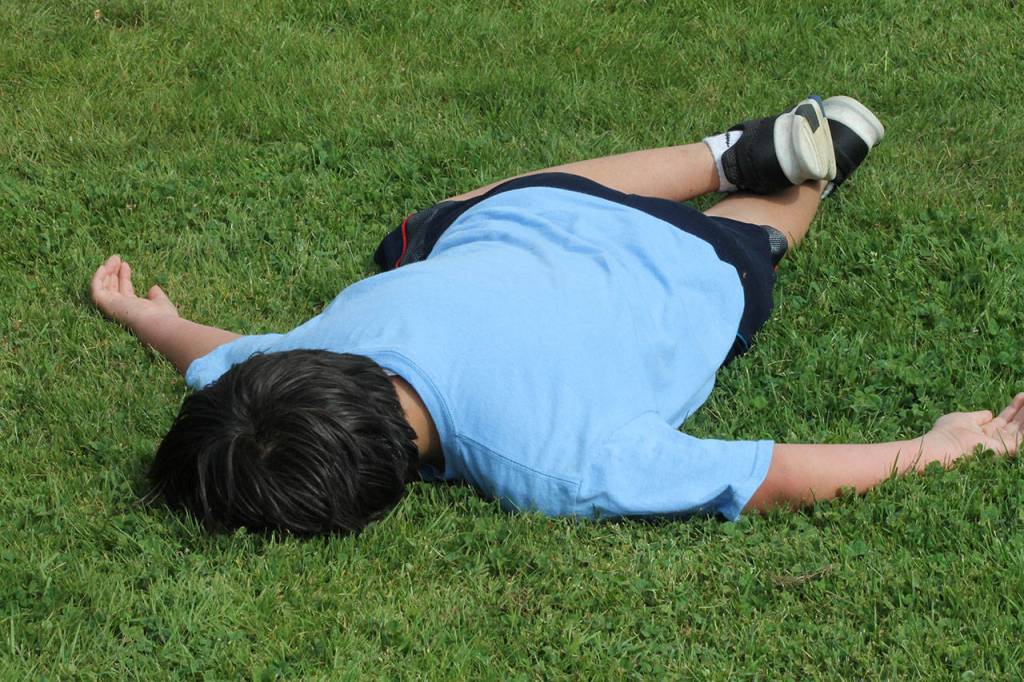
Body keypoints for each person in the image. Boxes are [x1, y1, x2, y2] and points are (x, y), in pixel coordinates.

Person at [90, 96, 1024, 536]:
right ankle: (728, 154)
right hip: (544, 211)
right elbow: (215, 356)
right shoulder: (314, 353)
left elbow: (763, 474)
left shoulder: (552, 464)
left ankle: (813, 170)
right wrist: (146, 317)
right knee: (440, 225)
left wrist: (934, 448)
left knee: (755, 241)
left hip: (686, 274)